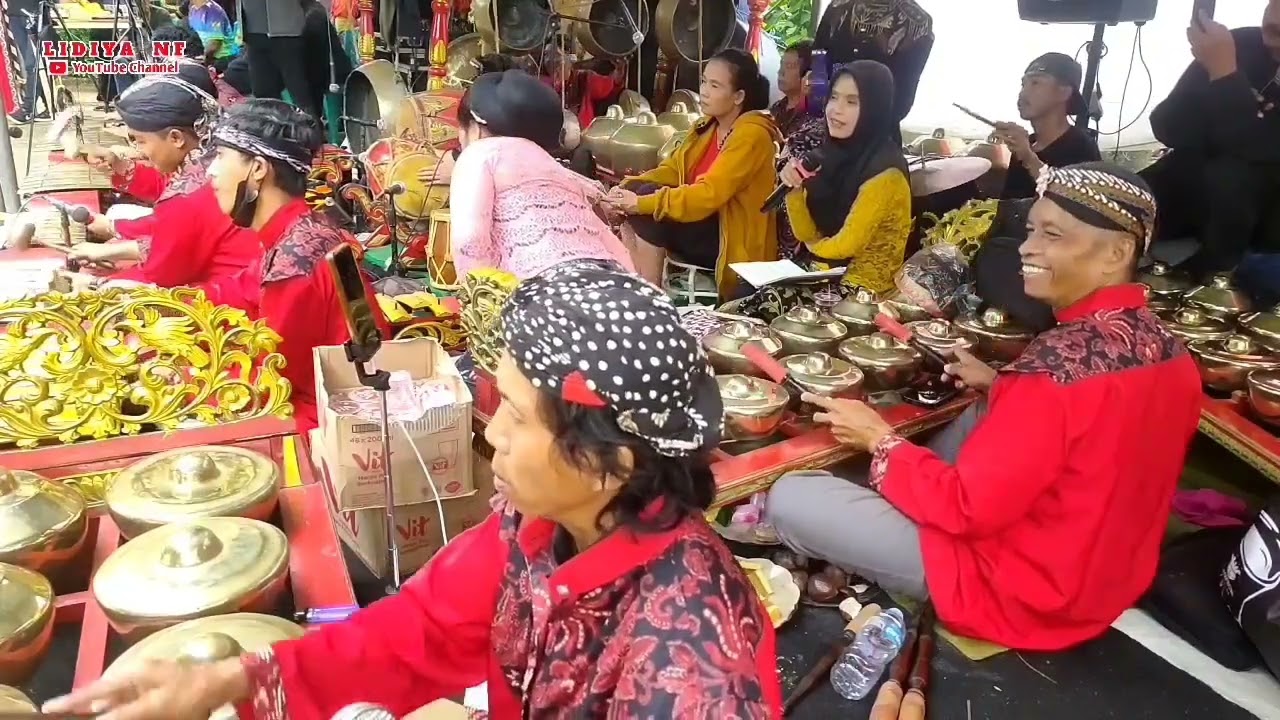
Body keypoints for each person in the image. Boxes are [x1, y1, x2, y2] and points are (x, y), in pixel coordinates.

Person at [43, 260, 783, 719]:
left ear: (609, 463)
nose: (489, 432)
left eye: (516, 417)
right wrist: (237, 681)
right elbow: (415, 634)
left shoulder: (688, 661)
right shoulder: (534, 531)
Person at [766, 162, 1203, 651]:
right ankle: (887, 501)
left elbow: (965, 509)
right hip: (1105, 584)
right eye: (1032, 229)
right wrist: (1002, 386)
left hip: (1017, 593)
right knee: (981, 408)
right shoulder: (1174, 353)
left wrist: (879, 441)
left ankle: (880, 508)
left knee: (791, 497)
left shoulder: (1052, 372)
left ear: (1118, 252)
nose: (1027, 246)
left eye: (1052, 235)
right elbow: (1097, 436)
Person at [164, 98, 386, 432]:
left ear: (258, 168)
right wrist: (166, 303)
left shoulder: (295, 263)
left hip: (326, 421)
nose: (211, 171)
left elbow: (271, 380)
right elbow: (242, 286)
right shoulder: (302, 231)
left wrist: (188, 373)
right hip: (327, 398)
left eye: (221, 156)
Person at [605, 49, 782, 297]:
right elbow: (671, 171)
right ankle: (637, 287)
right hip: (701, 225)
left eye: (715, 85)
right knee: (636, 195)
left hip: (729, 239)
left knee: (648, 208)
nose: (704, 91)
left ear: (738, 96)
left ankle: (651, 301)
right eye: (704, 81)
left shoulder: (752, 135)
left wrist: (642, 203)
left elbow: (708, 195)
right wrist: (625, 190)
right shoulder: (706, 128)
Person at [69, 66, 259, 293]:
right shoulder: (212, 160)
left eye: (140, 141)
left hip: (229, 304)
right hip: (237, 281)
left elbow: (163, 276)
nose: (137, 150)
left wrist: (98, 284)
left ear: (176, 138)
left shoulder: (189, 194)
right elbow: (175, 237)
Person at [1143, 5, 1280, 306]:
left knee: (1234, 174)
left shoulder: (1225, 58)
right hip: (1194, 184)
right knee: (1123, 191)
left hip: (1259, 218)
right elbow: (1167, 125)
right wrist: (1229, 100)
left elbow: (1260, 152)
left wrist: (1225, 78)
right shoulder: (1239, 44)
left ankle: (1208, 284)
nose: (1272, 40)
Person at [447, 71, 635, 280]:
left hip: (543, 294)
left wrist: (478, 300)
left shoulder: (480, 153)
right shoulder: (556, 169)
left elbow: (470, 242)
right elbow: (613, 244)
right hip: (618, 288)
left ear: (475, 128)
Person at [777, 60, 911, 294]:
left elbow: (847, 244)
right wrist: (794, 189)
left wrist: (811, 249)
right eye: (834, 97)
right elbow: (806, 234)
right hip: (825, 274)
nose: (835, 109)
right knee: (744, 300)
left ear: (874, 109)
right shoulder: (828, 155)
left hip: (863, 294)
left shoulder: (885, 172)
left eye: (852, 102)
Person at [996, 53, 1101, 200]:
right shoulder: (1027, 145)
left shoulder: (1082, 147)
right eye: (1023, 84)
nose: (1023, 92)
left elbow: (1081, 205)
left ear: (1063, 92)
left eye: (1035, 83)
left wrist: (1029, 159)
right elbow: (1008, 207)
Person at [812, 0, 933, 128]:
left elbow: (903, 95)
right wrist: (820, 105)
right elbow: (817, 61)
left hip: (876, 131)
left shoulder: (915, 21)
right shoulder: (838, 7)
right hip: (827, 122)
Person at [238, 0, 320, 119]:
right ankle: (271, 132)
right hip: (254, 30)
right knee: (263, 93)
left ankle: (312, 133)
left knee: (299, 91)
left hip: (287, 31)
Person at [771, 41, 815, 138]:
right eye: (781, 64)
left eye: (789, 66)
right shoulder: (777, 107)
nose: (780, 72)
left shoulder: (813, 117)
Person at [186, 0, 241, 73]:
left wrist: (205, 61)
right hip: (204, 54)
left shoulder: (213, 11)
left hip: (221, 58)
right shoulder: (193, 8)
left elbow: (214, 44)